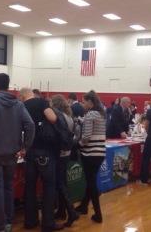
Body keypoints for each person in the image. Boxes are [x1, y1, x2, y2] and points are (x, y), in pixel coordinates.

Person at [0, 74, 35, 232]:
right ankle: (8, 222)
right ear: (8, 86)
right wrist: (25, 147)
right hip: (11, 154)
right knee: (8, 188)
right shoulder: (18, 104)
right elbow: (30, 125)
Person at [19, 87, 64, 232]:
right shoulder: (41, 102)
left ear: (22, 96)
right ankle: (48, 223)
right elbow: (52, 118)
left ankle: (30, 221)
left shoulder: (20, 106)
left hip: (28, 151)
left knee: (30, 187)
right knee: (48, 187)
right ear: (32, 94)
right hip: (44, 150)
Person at [75, 90, 106, 223]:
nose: (82, 104)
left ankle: (98, 214)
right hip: (99, 152)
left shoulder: (90, 114)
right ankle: (83, 207)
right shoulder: (100, 113)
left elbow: (86, 136)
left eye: (84, 101)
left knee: (91, 183)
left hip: (90, 153)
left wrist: (78, 145)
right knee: (90, 181)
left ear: (90, 102)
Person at [51, 94, 80, 227]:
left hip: (60, 152)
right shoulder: (69, 116)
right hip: (67, 152)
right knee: (62, 182)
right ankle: (62, 211)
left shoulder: (59, 117)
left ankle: (71, 211)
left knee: (60, 183)